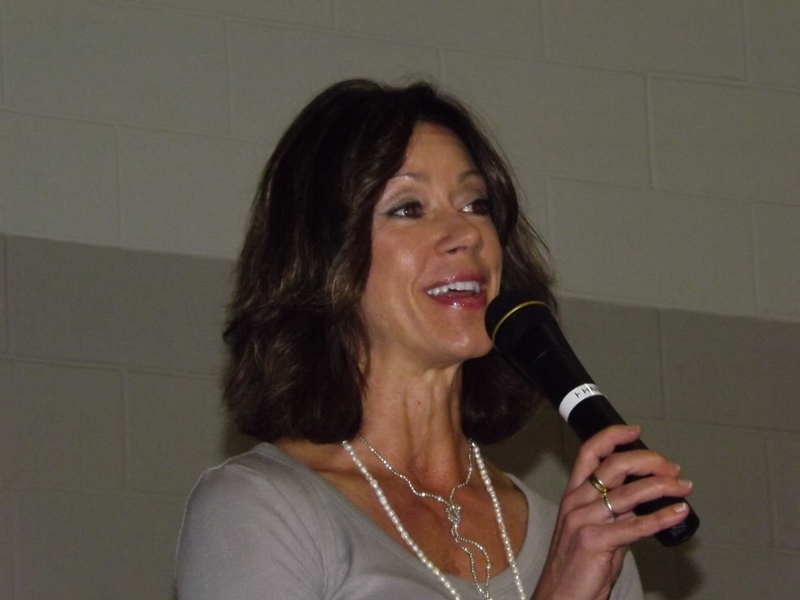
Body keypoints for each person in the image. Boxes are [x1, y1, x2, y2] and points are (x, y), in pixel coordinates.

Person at [175, 79, 693, 599]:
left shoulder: (587, 544)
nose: (467, 233)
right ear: (323, 256)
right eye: (409, 208)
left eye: (476, 204)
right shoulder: (259, 508)